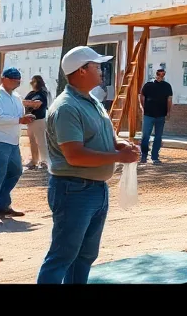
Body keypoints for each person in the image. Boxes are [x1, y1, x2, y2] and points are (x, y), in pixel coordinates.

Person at [36, 46, 141, 285]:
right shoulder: (66, 108)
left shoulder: (91, 101)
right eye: (97, 66)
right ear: (82, 71)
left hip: (93, 190)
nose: (102, 70)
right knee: (62, 256)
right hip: (73, 190)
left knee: (84, 256)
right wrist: (118, 157)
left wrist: (122, 145)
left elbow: (108, 136)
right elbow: (75, 155)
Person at [0, 67, 34, 223]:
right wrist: (19, 120)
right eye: (12, 78)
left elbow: (18, 115)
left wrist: (25, 117)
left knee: (16, 171)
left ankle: (3, 205)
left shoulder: (17, 97)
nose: (16, 82)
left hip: (12, 141)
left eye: (18, 79)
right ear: (3, 79)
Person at [138, 67, 173, 165]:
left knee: (158, 137)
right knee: (145, 136)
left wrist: (169, 112)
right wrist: (142, 107)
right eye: (158, 74)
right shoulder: (148, 85)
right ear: (155, 74)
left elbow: (169, 100)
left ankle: (155, 157)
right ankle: (144, 156)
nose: (160, 76)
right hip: (148, 114)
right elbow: (141, 95)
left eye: (162, 75)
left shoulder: (167, 86)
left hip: (161, 115)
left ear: (164, 75)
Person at [24, 75, 51, 170]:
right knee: (32, 141)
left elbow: (37, 103)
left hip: (39, 120)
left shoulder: (42, 93)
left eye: (33, 81)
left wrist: (30, 103)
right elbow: (25, 102)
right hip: (30, 120)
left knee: (41, 141)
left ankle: (44, 161)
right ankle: (34, 160)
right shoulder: (32, 93)